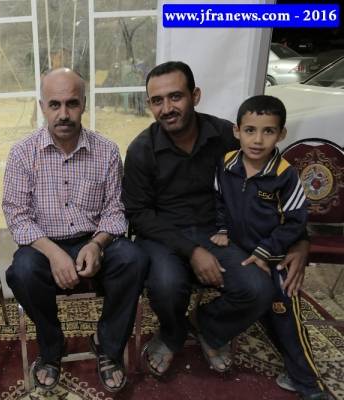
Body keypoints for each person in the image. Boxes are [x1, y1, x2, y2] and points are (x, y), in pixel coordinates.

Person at [122, 61, 309, 378]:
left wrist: (301, 239)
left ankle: (207, 326)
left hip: (218, 232)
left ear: (195, 95)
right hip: (163, 236)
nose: (167, 108)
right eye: (157, 100)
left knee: (259, 288)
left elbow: (274, 182)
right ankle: (171, 334)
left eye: (176, 96)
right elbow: (138, 215)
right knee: (167, 286)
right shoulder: (142, 149)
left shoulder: (225, 135)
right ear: (149, 105)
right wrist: (192, 251)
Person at [3, 68, 148, 392]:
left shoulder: (106, 150)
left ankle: (108, 344)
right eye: (55, 105)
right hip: (43, 244)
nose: (64, 114)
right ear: (42, 107)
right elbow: (17, 215)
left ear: (84, 104)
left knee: (134, 259)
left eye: (72, 103)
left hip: (94, 240)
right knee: (21, 271)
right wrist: (54, 254)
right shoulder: (22, 153)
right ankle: (52, 345)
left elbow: (115, 211)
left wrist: (97, 245)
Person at [212, 95, 328, 400]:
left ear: (281, 134)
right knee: (252, 300)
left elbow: (295, 222)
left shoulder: (286, 175)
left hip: (275, 256)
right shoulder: (226, 164)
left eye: (268, 131)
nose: (258, 140)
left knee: (285, 312)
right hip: (237, 250)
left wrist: (266, 250)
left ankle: (308, 384)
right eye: (250, 130)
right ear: (237, 131)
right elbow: (219, 201)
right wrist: (222, 229)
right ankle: (206, 326)